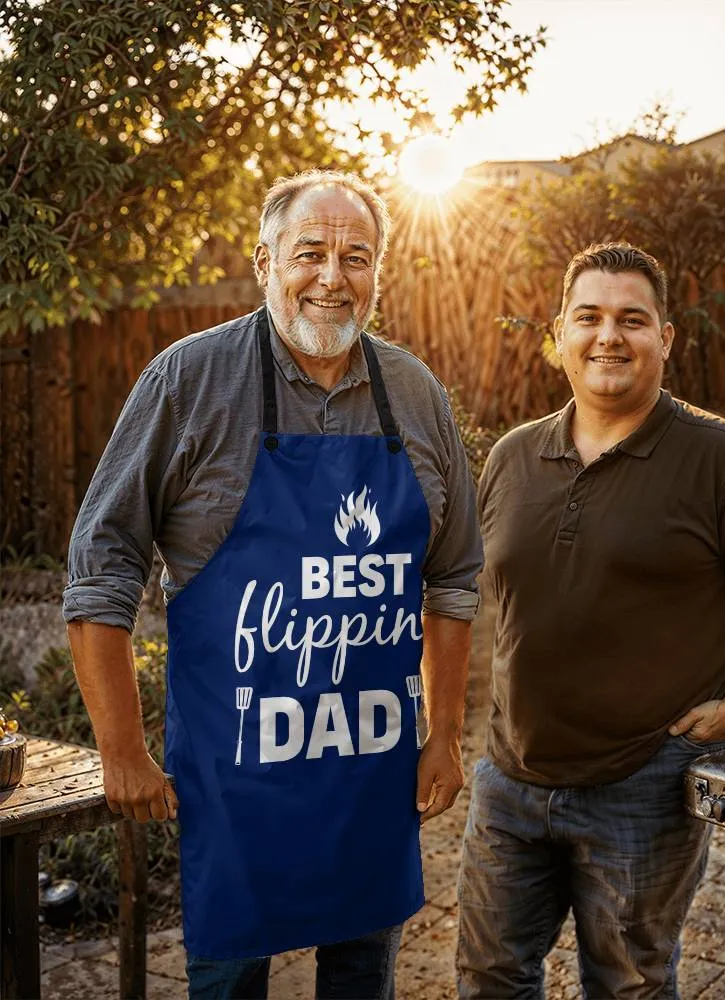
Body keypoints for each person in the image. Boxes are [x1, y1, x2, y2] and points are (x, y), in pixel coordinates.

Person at [64, 169, 483, 1000]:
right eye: (311, 253)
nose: (333, 278)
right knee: (227, 984)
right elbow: (101, 563)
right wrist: (121, 750)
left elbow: (455, 574)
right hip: (236, 784)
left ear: (378, 275)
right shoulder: (187, 382)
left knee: (363, 977)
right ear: (264, 263)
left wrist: (443, 733)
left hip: (370, 780)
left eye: (356, 257)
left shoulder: (414, 393)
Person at [457, 242, 725, 999]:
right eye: (588, 317)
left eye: (632, 319)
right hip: (510, 777)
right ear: (559, 334)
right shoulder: (514, 457)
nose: (608, 336)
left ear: (666, 339)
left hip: (642, 783)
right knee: (489, 978)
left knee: (629, 985)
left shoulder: (719, 456)